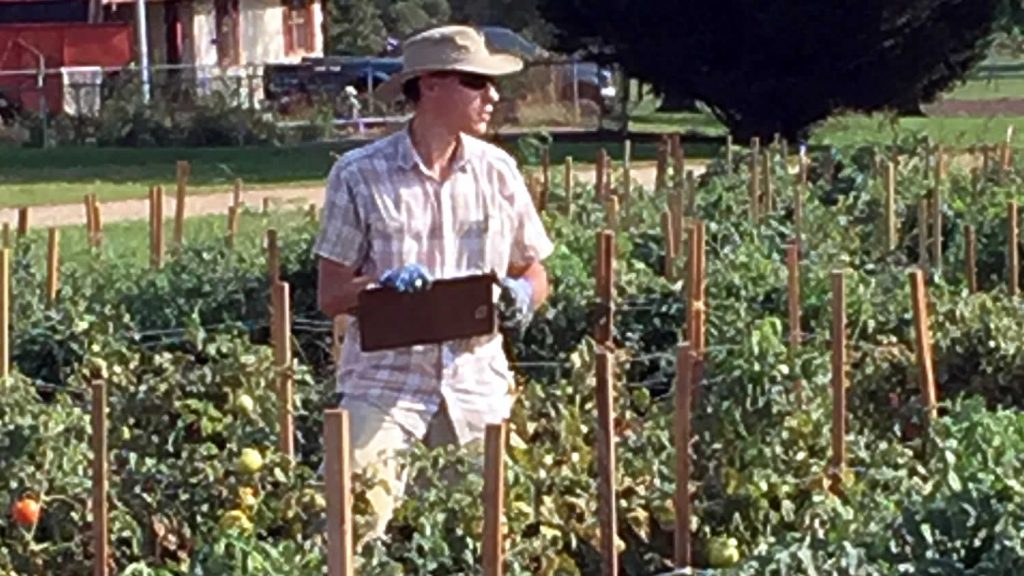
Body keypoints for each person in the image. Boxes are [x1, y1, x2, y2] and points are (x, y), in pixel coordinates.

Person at [313, 24, 555, 543]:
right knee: (346, 530)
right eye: (475, 81)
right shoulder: (359, 175)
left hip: (476, 385)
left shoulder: (498, 172)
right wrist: (377, 289)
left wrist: (523, 296)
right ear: (429, 85)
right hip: (384, 384)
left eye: (490, 82)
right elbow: (330, 293)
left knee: (488, 538)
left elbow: (535, 270)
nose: (492, 94)